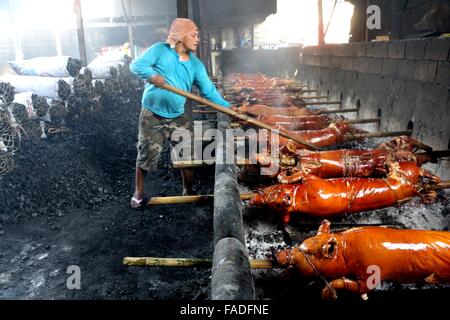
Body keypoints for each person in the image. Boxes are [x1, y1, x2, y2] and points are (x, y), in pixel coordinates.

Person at [129, 18, 231, 210]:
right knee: (147, 154)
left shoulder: (196, 65)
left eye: (198, 35)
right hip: (153, 115)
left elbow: (209, 92)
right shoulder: (160, 50)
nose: (197, 39)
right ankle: (139, 192)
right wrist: (152, 76)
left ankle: (187, 189)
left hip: (177, 115)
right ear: (180, 36)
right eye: (193, 35)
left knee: (188, 154)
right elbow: (136, 66)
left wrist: (228, 107)